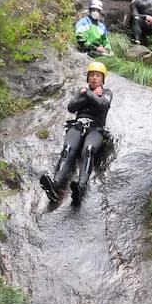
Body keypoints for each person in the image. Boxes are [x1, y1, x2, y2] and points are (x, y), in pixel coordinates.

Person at [40, 62, 113, 206]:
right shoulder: (82, 92)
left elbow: (102, 105)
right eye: (91, 75)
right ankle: (55, 185)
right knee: (67, 150)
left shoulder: (107, 93)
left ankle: (81, 186)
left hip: (95, 129)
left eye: (97, 76)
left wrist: (87, 95)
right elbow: (71, 106)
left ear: (102, 79)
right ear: (87, 78)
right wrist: (89, 95)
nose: (94, 78)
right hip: (78, 126)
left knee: (89, 150)